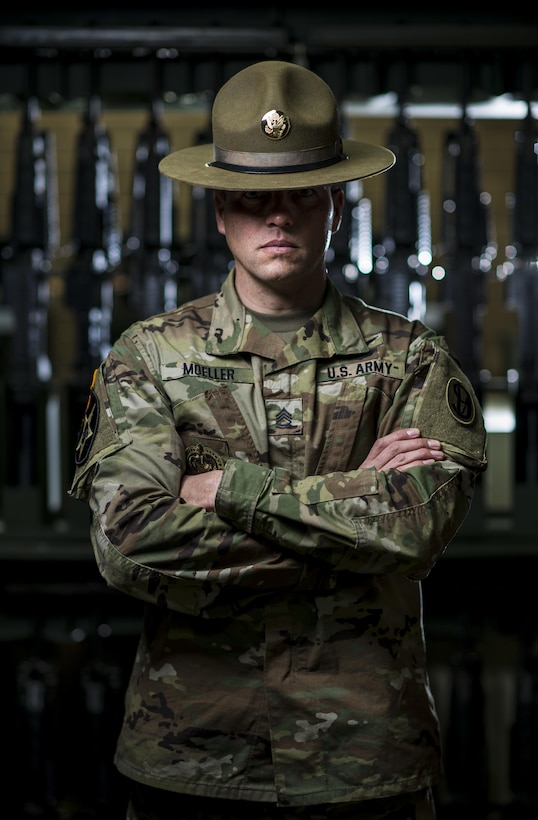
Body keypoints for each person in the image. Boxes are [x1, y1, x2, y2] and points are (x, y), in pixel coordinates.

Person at [69, 59, 487, 820]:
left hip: (366, 765)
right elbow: (128, 542)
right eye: (252, 197)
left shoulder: (409, 356)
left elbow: (416, 528)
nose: (278, 216)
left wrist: (228, 490)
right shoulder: (150, 356)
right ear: (221, 212)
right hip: (192, 759)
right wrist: (351, 529)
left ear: (334, 204)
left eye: (301, 194)